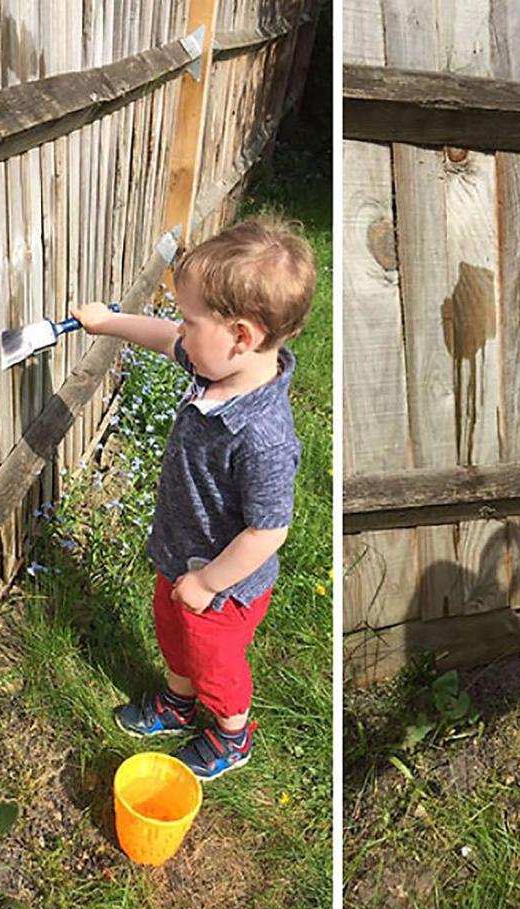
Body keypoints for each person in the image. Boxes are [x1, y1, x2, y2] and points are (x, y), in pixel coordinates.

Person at [72, 217, 316, 780]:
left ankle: (233, 735)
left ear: (241, 336)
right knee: (172, 630)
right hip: (181, 551)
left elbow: (268, 529)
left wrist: (209, 583)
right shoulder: (215, 370)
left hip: (226, 585)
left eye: (190, 318)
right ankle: (178, 703)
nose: (180, 330)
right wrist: (109, 323)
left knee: (215, 662)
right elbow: (166, 341)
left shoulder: (264, 436)